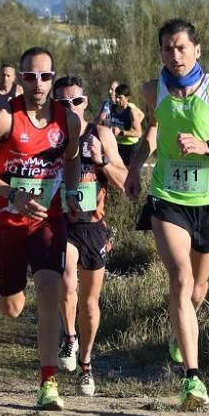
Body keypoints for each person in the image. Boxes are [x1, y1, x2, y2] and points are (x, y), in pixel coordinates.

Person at [126, 18, 209, 411]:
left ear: (197, 50)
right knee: (180, 279)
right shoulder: (152, 90)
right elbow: (152, 131)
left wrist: (207, 146)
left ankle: (181, 331)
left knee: (198, 289)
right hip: (168, 198)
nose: (174, 55)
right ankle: (193, 381)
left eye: (181, 48)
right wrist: (133, 168)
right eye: (167, 48)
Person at [0, 47, 82, 411]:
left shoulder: (68, 120)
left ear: (53, 78)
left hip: (48, 220)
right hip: (7, 219)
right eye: (30, 76)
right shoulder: (3, 119)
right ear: (19, 77)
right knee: (14, 307)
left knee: (51, 290)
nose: (38, 84)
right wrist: (11, 193)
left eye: (46, 76)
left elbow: (73, 158)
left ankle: (48, 383)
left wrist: (74, 193)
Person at [52, 75, 127, 396]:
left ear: (86, 103)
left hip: (94, 228)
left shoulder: (101, 134)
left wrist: (102, 161)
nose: (71, 108)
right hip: (61, 224)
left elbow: (126, 184)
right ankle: (69, 337)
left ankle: (86, 363)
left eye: (76, 102)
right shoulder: (50, 136)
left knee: (90, 302)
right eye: (63, 103)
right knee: (67, 280)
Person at [107, 83, 144, 166]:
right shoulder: (113, 108)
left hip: (130, 147)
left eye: (120, 97)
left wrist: (122, 132)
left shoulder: (131, 111)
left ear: (127, 98)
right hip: (117, 145)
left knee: (128, 175)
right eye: (116, 96)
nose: (117, 100)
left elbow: (138, 133)